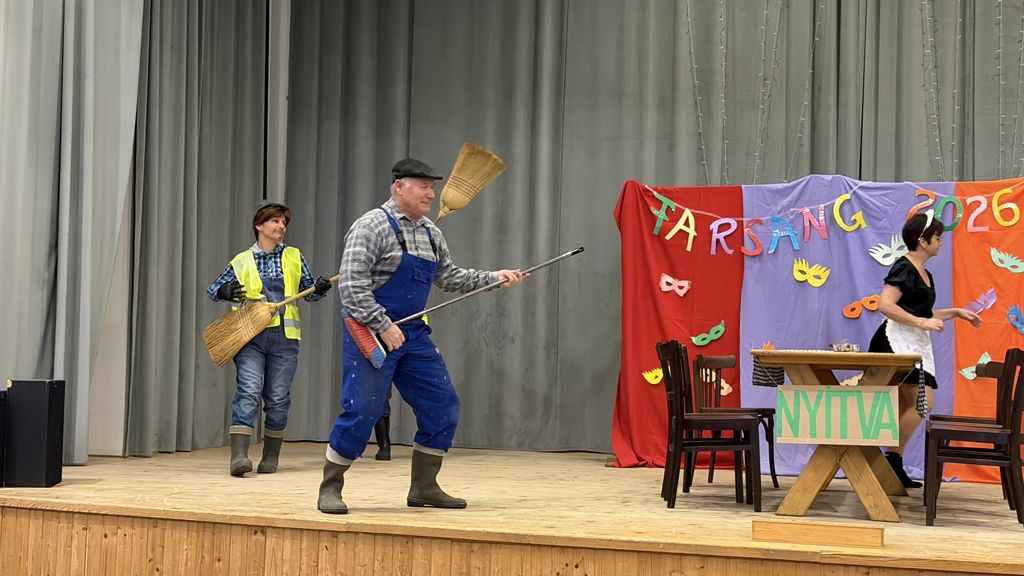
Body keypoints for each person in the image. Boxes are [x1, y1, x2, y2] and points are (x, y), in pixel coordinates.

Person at [318, 158, 526, 514]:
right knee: (364, 410)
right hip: (371, 332)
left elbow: (450, 277)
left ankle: (424, 487)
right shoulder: (370, 227)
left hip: (413, 335)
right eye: (424, 186)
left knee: (443, 406)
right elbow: (351, 288)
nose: (431, 193)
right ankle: (330, 487)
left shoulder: (431, 232)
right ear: (399, 186)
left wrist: (495, 278)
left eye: (432, 187)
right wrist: (383, 324)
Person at [207, 202, 333, 477]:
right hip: (249, 336)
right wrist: (225, 291)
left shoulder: (294, 256)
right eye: (275, 221)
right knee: (248, 391)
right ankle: (239, 456)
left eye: (284, 222)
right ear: (259, 225)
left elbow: (309, 293)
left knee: (277, 398)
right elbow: (213, 288)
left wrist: (320, 288)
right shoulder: (241, 260)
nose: (281, 226)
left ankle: (271, 455)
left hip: (285, 338)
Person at [869, 212, 982, 488]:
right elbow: (886, 305)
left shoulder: (925, 273)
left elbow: (921, 312)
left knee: (906, 405)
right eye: (937, 238)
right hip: (895, 342)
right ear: (922, 240)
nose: (941, 242)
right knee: (922, 403)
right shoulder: (904, 266)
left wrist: (955, 312)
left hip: (914, 342)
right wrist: (922, 323)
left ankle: (891, 463)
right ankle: (881, 461)